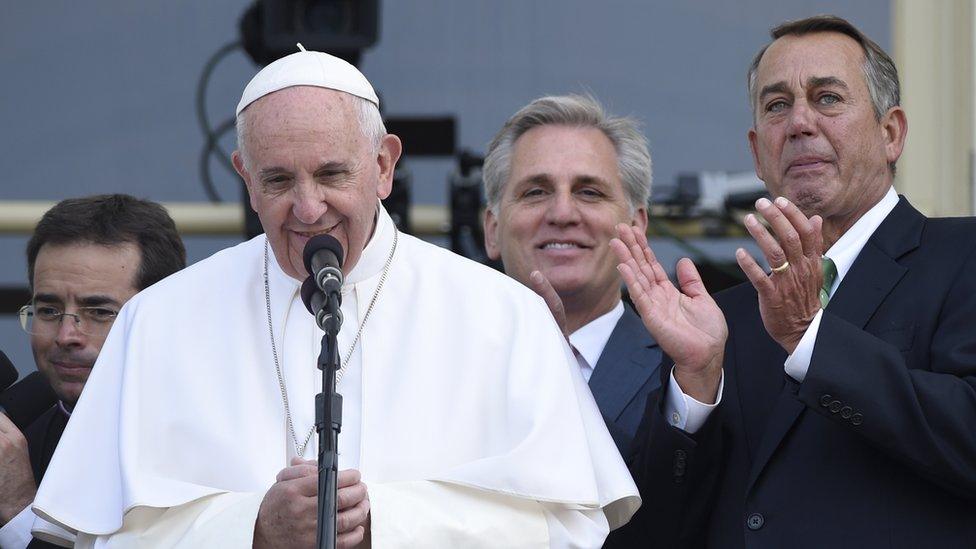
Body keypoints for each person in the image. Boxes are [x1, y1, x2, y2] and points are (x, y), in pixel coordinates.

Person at [34, 50, 639, 548]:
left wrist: (388, 524)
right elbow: (94, 537)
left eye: (331, 175)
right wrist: (253, 529)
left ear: (383, 165)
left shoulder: (502, 315)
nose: (307, 207)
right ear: (245, 178)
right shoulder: (160, 319)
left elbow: (569, 528)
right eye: (277, 180)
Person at [606, 14, 976, 548]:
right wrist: (695, 389)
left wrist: (815, 340)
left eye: (827, 98)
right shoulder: (722, 319)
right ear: (758, 152)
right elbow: (657, 533)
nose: (800, 123)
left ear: (891, 133)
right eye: (778, 105)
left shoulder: (960, 257)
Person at [0, 194, 186, 548]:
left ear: (161, 317)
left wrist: (18, 506)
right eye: (49, 310)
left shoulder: (204, 441)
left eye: (99, 312)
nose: (66, 336)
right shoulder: (23, 427)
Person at [483, 94, 660, 455]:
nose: (562, 213)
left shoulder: (687, 375)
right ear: (492, 230)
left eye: (589, 192)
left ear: (636, 227)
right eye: (535, 192)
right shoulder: (438, 369)